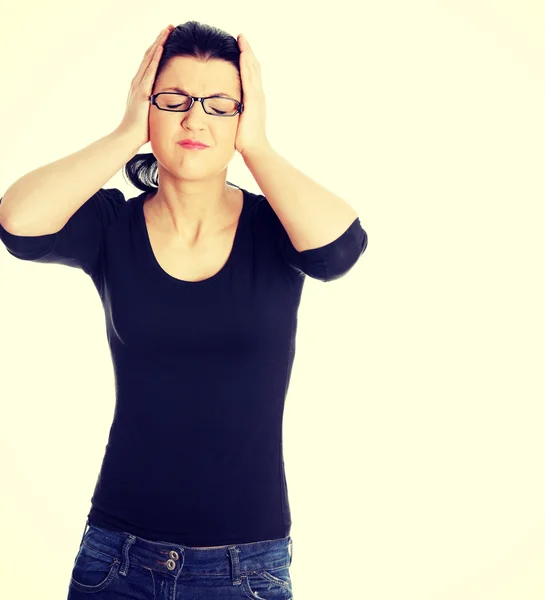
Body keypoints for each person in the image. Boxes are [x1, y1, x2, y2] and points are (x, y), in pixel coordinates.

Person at [0, 20, 368, 599]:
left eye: (220, 105)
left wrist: (259, 146)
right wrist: (127, 131)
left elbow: (340, 250)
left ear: (245, 115)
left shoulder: (277, 229)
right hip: (114, 558)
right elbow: (18, 223)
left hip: (245, 567)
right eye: (174, 101)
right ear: (149, 105)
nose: (195, 120)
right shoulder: (111, 226)